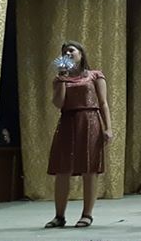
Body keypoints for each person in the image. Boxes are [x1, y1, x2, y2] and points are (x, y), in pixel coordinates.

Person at [44, 41, 113, 228]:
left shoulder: (95, 75)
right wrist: (62, 79)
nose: (68, 53)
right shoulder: (59, 79)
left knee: (89, 170)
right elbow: (59, 103)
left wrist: (108, 128)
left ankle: (87, 214)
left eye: (71, 50)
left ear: (81, 54)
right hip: (67, 122)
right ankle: (59, 216)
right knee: (62, 170)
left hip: (90, 121)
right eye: (64, 52)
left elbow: (103, 103)